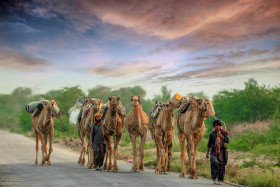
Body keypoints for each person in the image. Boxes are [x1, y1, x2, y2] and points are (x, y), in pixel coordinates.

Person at [206, 120, 229, 185]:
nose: (217, 126)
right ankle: (214, 178)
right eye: (216, 125)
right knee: (214, 163)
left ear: (220, 126)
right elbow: (209, 144)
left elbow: (227, 141)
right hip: (214, 150)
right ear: (214, 126)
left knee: (221, 165)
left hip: (222, 150)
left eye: (218, 125)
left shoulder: (224, 133)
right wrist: (207, 153)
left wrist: (222, 137)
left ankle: (220, 179)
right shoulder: (212, 134)